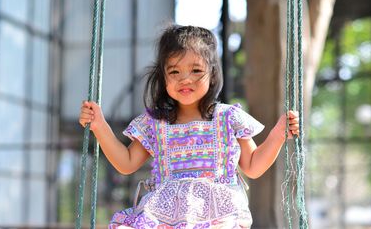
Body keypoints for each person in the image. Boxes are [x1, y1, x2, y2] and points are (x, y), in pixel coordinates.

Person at [79, 25, 299, 229]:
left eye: (195, 70)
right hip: (164, 213)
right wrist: (99, 125)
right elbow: (126, 163)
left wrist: (278, 134)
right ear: (163, 77)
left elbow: (252, 165)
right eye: (174, 72)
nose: (185, 79)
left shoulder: (228, 117)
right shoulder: (156, 123)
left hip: (217, 213)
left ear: (212, 74)